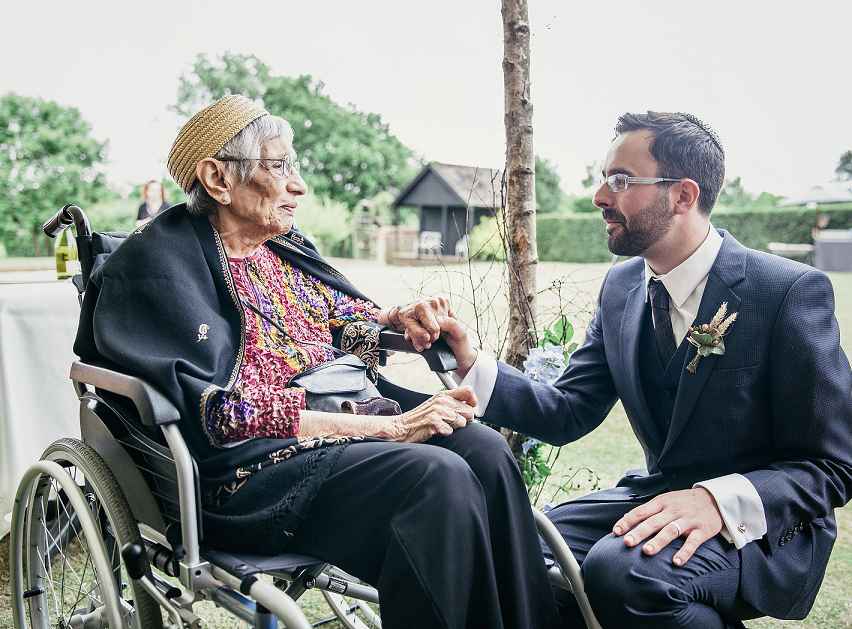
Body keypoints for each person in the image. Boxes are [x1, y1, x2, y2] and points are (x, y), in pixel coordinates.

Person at [74, 95, 558, 629]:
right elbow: (221, 417)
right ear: (217, 179)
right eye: (279, 167)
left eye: (293, 165)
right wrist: (390, 428)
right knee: (434, 477)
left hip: (348, 421)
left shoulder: (282, 250)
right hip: (252, 468)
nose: (299, 185)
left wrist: (400, 317)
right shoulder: (157, 268)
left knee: (485, 450)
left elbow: (349, 322)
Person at [437, 112, 852, 629]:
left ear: (683, 195)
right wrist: (468, 360)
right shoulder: (621, 289)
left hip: (762, 529)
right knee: (515, 549)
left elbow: (827, 468)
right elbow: (569, 410)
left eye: (619, 180)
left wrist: (714, 500)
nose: (598, 196)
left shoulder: (787, 293)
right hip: (655, 497)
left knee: (622, 573)